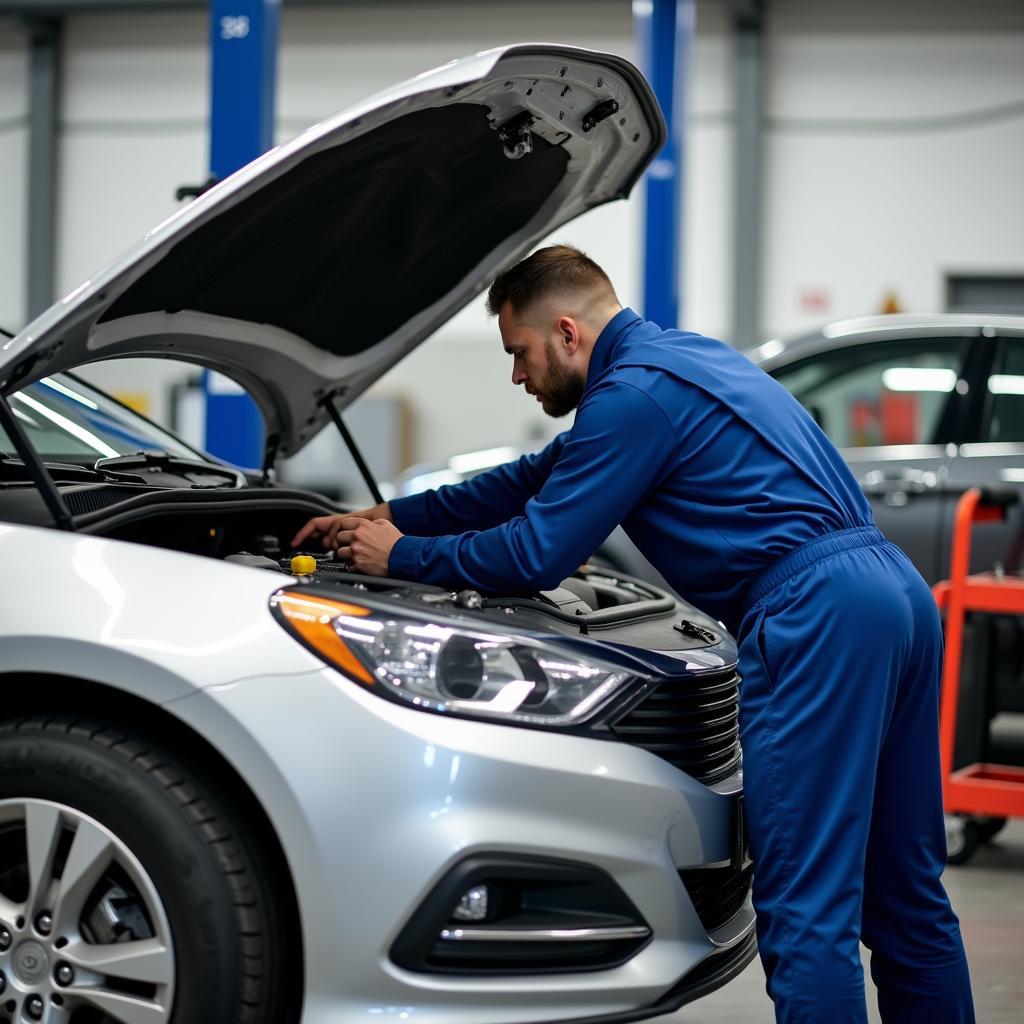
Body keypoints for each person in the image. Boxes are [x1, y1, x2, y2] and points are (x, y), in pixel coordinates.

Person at [291, 244, 975, 1023]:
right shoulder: (686, 362)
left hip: (817, 616)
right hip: (894, 597)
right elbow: (530, 478)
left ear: (567, 333)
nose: (519, 376)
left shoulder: (631, 400)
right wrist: (396, 513)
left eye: (520, 354)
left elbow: (536, 553)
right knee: (907, 898)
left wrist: (402, 556)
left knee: (805, 911)